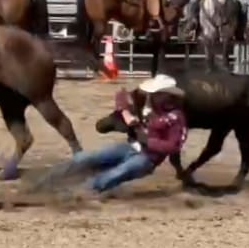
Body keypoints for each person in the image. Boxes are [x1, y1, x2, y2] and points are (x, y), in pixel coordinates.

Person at [35, 74, 188, 196]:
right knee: (84, 159)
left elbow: (173, 146)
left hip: (147, 159)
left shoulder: (176, 119)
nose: (154, 97)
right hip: (130, 147)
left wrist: (148, 141)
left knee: (112, 175)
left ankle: (72, 196)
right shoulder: (145, 101)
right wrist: (126, 113)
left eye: (157, 94)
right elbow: (122, 95)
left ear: (168, 96)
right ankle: (43, 184)